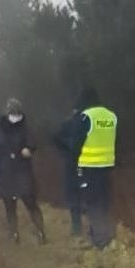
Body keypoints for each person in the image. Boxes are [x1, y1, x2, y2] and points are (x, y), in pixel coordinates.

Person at [0, 98, 47, 245]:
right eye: (12, 112)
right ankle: (13, 234)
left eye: (17, 113)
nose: (15, 116)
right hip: (6, 174)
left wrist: (29, 149)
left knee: (31, 203)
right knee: (10, 207)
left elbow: (33, 142)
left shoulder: (26, 129)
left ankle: (41, 233)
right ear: (7, 113)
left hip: (23, 172)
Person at [70, 87, 117, 249]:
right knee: (105, 202)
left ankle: (100, 240)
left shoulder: (86, 117)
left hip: (90, 168)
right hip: (108, 166)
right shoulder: (111, 116)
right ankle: (109, 236)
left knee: (92, 204)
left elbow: (75, 144)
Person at [53, 109, 83, 237]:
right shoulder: (85, 122)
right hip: (86, 163)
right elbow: (56, 139)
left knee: (74, 196)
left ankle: (77, 228)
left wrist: (66, 151)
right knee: (83, 196)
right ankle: (82, 227)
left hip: (73, 163)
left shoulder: (68, 123)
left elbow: (56, 139)